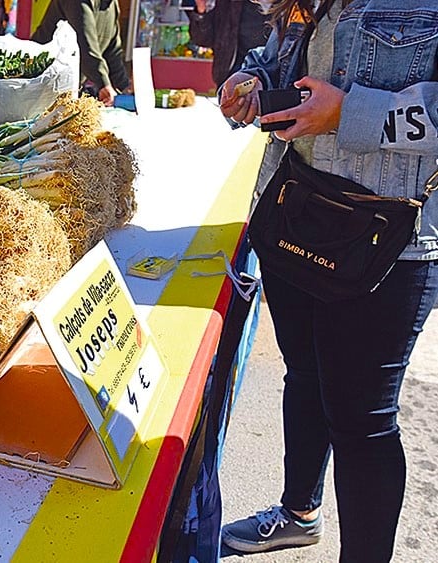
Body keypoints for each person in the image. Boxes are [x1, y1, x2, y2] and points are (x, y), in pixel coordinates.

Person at [218, 0, 438, 559]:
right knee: (306, 375)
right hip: (296, 207)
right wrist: (254, 79)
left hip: (387, 238)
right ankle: (299, 513)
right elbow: (283, 54)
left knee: (363, 421)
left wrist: (348, 114)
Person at [30, 0, 130, 106]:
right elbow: (85, 45)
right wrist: (104, 83)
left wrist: (125, 87)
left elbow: (113, 52)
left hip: (64, 88)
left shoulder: (112, 4)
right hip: (38, 83)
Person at [187, 0, 271, 86]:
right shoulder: (228, 4)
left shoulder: (282, 6)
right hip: (232, 76)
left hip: (271, 78)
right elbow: (203, 39)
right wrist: (201, 8)